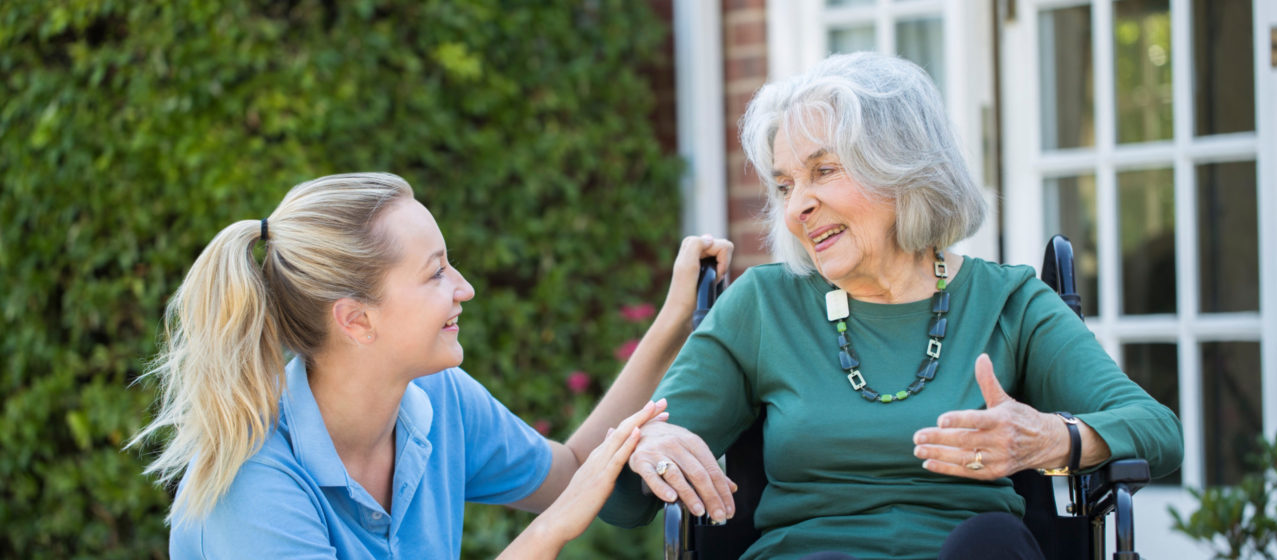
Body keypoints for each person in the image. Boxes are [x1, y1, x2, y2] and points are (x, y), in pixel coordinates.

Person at [598, 52, 1183, 560]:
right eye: (784, 186)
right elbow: (623, 505)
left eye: (823, 170)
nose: (798, 206)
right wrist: (645, 448)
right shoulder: (763, 306)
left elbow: (1157, 431)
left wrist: (1053, 438)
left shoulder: (1007, 300)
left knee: (990, 547)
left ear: (902, 168)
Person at [129, 172, 733, 558]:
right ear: (356, 320)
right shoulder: (252, 487)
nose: (464, 288)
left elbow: (570, 470)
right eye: (436, 271)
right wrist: (551, 531)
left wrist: (673, 320)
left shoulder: (436, 398)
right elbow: (566, 502)